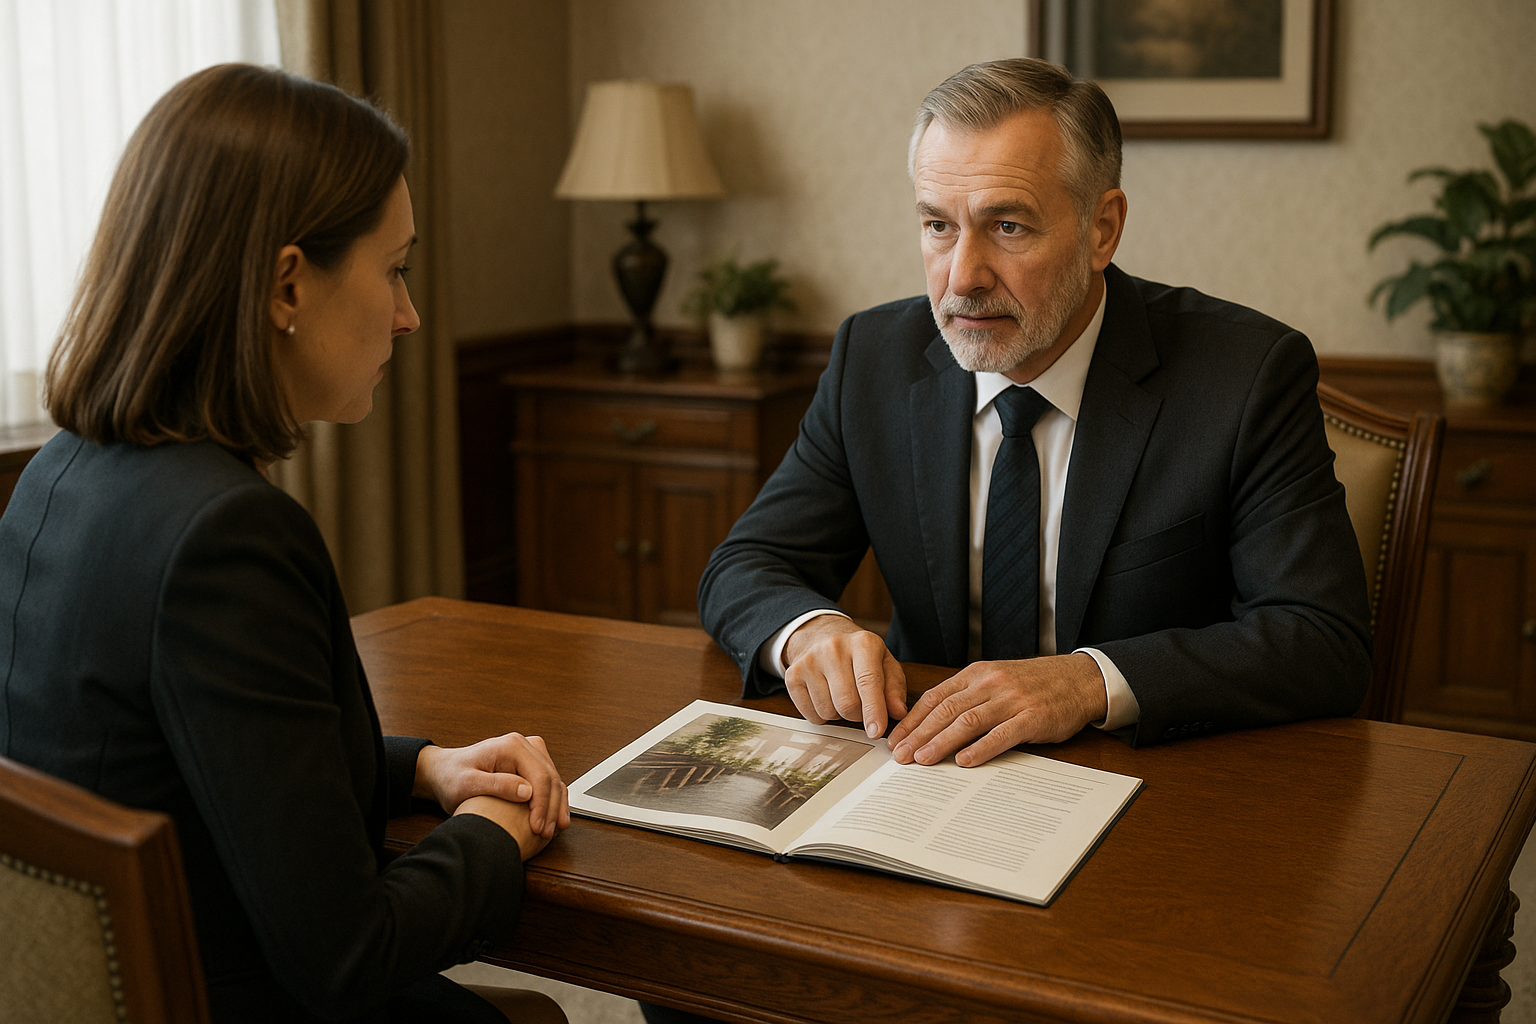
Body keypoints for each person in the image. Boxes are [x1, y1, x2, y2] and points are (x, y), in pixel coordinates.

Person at [0, 64, 570, 1024]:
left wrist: (425, 767)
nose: (409, 314)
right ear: (286, 285)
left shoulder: (61, 472)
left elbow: (202, 755)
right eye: (394, 269)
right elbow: (348, 955)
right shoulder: (228, 536)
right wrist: (490, 832)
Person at [697, 57, 1373, 772]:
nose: (962, 277)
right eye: (937, 226)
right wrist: (808, 632)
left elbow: (1322, 639)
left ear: (1102, 229)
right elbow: (746, 564)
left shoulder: (1244, 376)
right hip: (919, 771)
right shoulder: (875, 359)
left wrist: (1088, 681)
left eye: (1008, 226)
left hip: (1153, 785)